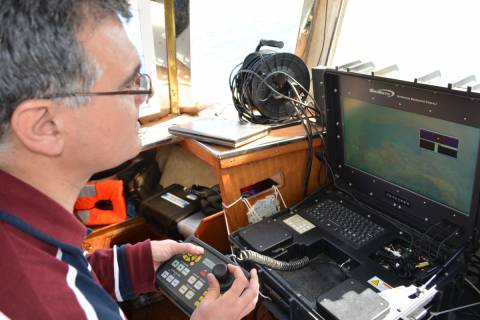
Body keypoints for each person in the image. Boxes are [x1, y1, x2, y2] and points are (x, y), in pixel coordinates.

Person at [0, 1, 259, 319]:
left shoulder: (22, 230)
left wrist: (134, 264)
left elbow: (71, 270)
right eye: (127, 85)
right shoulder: (52, 306)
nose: (143, 96)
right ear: (44, 126)